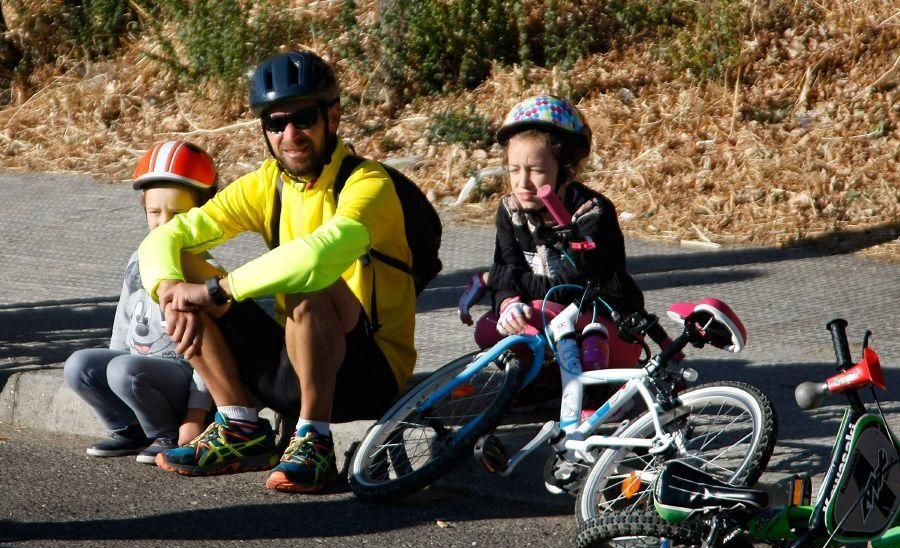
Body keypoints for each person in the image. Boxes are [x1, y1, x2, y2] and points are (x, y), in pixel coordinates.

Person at [137, 50, 415, 494]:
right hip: (295, 356)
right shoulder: (267, 183)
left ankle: (314, 441)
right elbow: (163, 239)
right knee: (183, 268)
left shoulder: (369, 183)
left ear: (333, 117)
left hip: (369, 371)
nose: (290, 134)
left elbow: (316, 255)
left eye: (304, 117)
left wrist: (218, 291)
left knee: (310, 286)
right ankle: (240, 427)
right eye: (275, 123)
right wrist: (171, 288)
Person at [458, 95, 677, 391]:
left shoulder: (593, 213)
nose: (522, 182)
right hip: (549, 317)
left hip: (605, 327)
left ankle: (593, 393)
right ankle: (545, 382)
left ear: (568, 170)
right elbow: (507, 266)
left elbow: (566, 288)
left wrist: (494, 278)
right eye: (513, 169)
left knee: (538, 314)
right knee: (491, 329)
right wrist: (508, 301)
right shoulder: (509, 210)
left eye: (536, 170)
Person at [64, 141, 220, 464]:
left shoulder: (201, 270)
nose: (164, 223)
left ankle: (165, 432)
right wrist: (108, 374)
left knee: (124, 370)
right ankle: (131, 426)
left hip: (181, 382)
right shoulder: (138, 259)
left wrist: (195, 414)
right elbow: (122, 328)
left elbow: (211, 355)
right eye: (154, 212)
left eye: (178, 214)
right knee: (79, 366)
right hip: (136, 377)